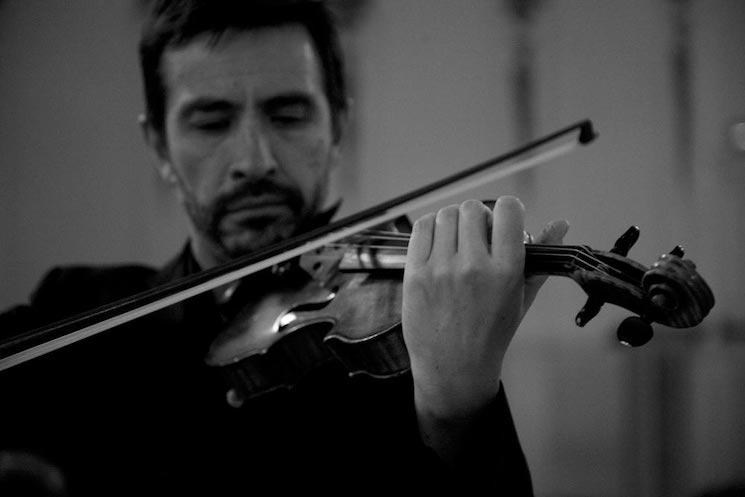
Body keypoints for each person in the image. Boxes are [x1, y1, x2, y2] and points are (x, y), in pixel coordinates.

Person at [0, 1, 568, 495]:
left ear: (338, 124)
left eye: (288, 114)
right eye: (211, 122)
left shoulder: (405, 351)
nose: (255, 160)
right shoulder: (78, 317)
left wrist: (455, 408)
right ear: (159, 147)